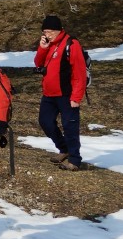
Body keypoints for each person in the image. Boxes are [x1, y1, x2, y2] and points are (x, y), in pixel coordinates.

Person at [34, 15, 88, 172]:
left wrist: (76, 97)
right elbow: (38, 63)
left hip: (67, 94)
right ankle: (64, 148)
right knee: (46, 122)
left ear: (58, 30)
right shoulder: (48, 44)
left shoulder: (71, 44)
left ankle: (75, 159)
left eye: (49, 32)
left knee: (70, 126)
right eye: (44, 32)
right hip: (49, 94)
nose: (46, 35)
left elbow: (79, 73)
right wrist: (42, 48)